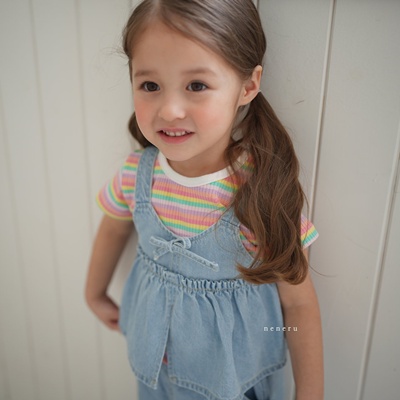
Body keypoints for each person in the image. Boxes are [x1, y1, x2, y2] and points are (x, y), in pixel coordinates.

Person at [85, 0, 324, 399]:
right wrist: (94, 292)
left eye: (196, 85)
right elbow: (112, 230)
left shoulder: (261, 195)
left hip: (235, 381)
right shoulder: (137, 175)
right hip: (155, 374)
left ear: (247, 86)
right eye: (150, 86)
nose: (170, 110)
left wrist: (310, 393)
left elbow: (298, 307)